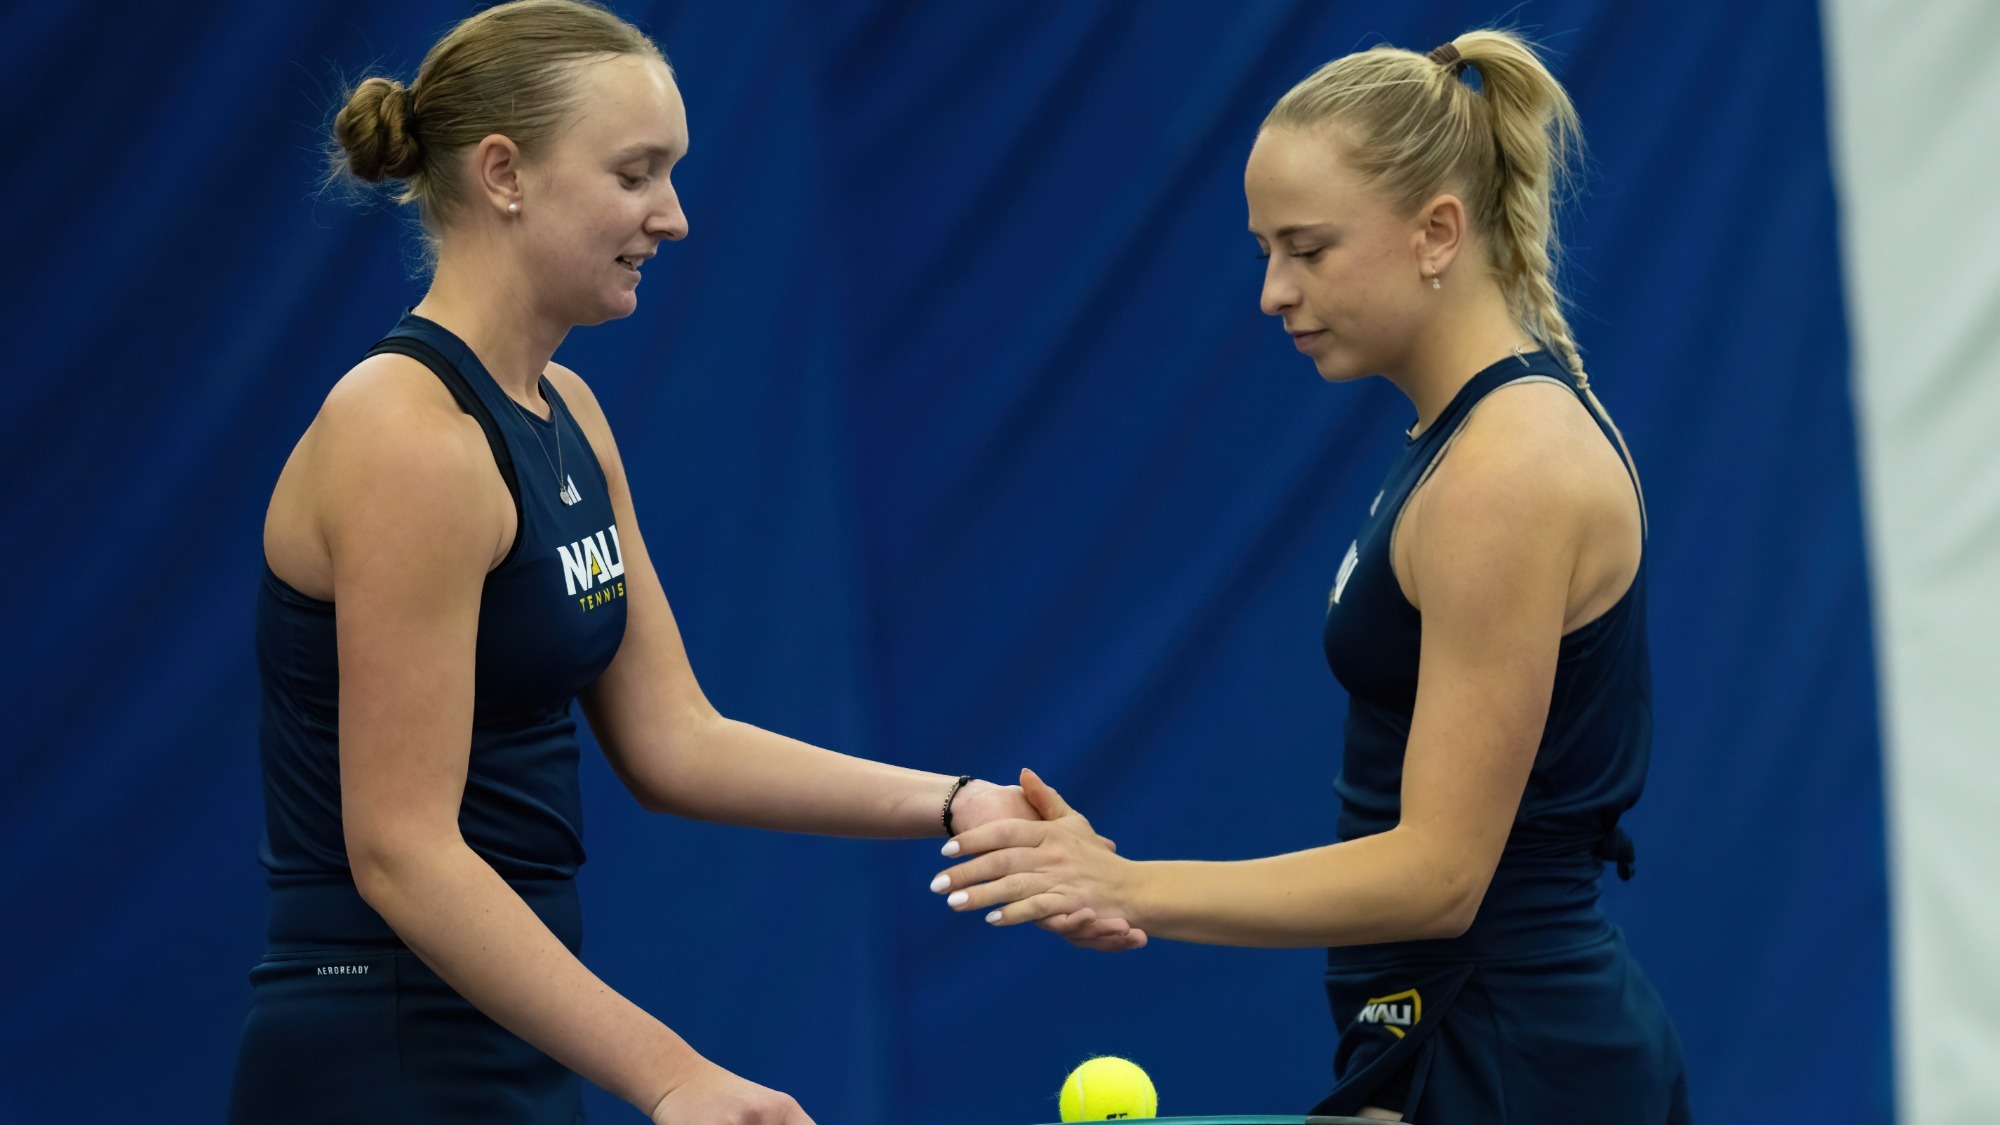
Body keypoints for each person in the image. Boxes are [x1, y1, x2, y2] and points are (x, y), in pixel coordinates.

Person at [226, 3, 1131, 1122]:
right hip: (379, 1048)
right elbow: (401, 851)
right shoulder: (406, 435)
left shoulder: (567, 412)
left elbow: (675, 739)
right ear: (504, 174)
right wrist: (674, 1075)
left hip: (508, 1032)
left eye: (672, 173)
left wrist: (958, 803)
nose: (674, 216)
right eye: (634, 174)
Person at [929, 30, 1690, 1123]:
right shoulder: (1467, 440)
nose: (1273, 292)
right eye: (1264, 251)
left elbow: (1439, 876)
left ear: (1437, 232)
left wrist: (1128, 884)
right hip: (1445, 1033)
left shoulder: (1505, 474)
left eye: (1309, 249)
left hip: (1516, 1054)